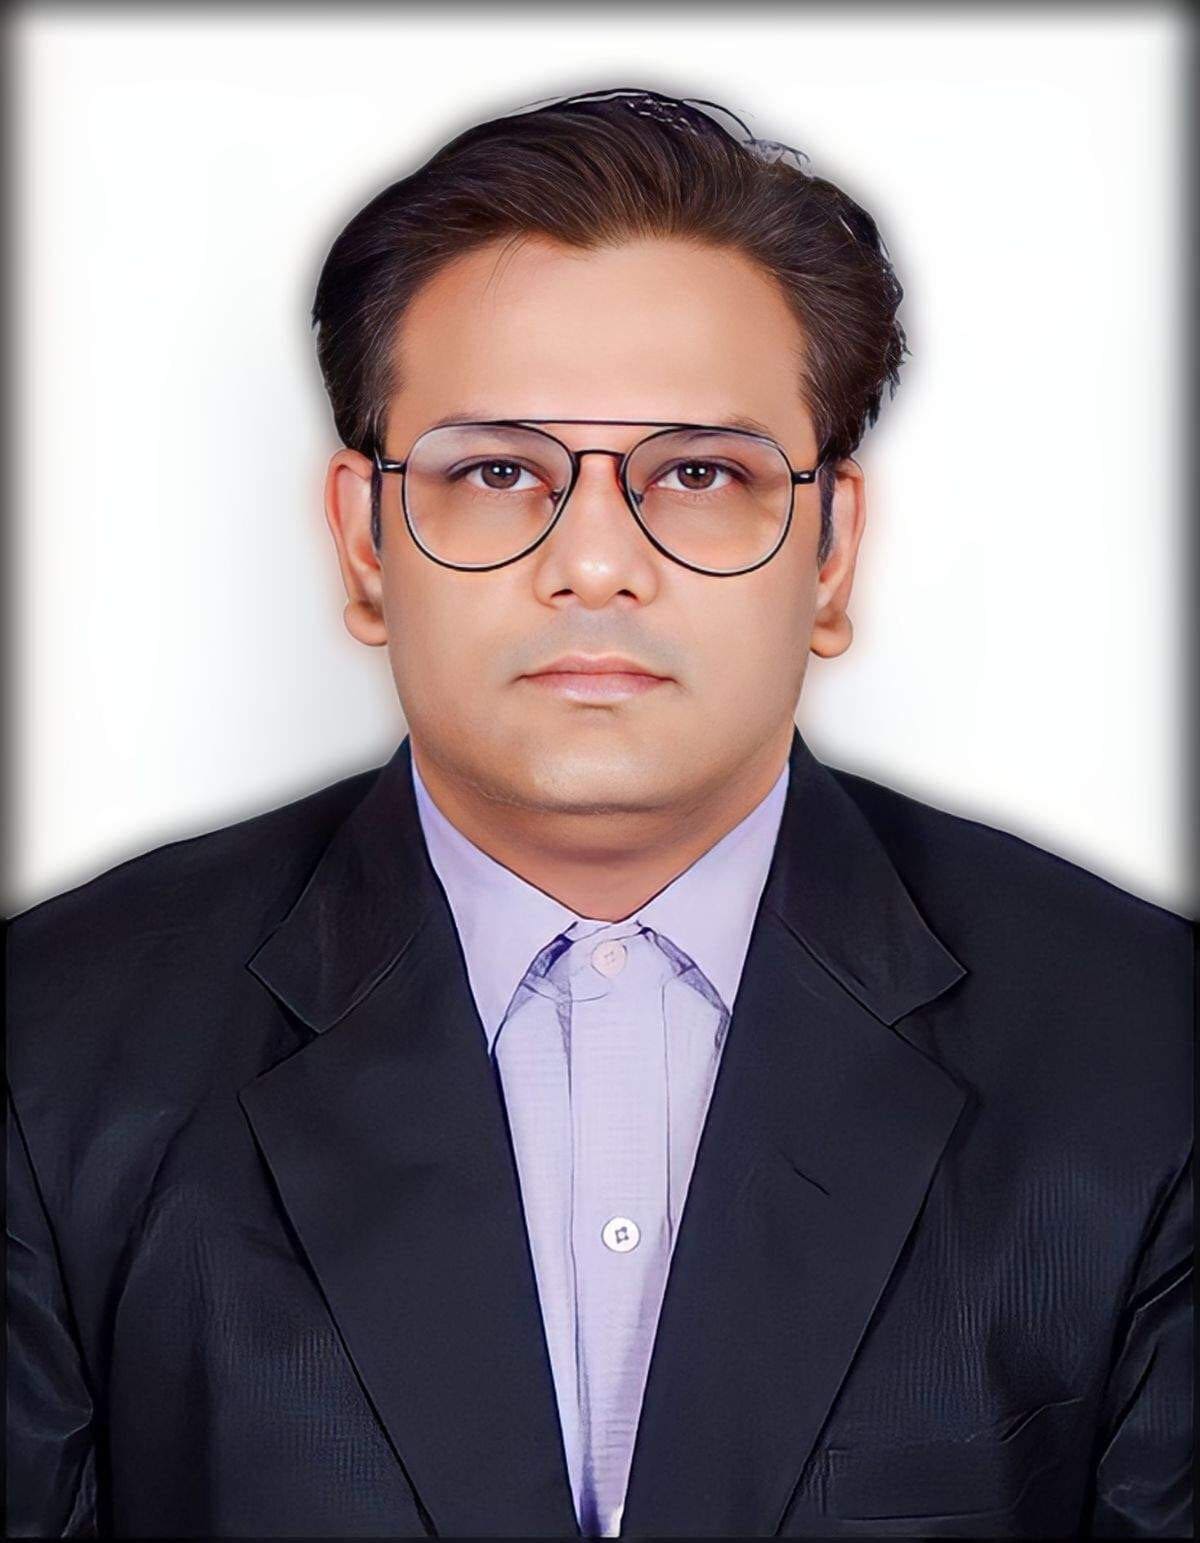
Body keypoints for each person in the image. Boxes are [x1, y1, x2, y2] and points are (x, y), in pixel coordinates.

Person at [6, 86, 1191, 1541]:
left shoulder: (1150, 1056)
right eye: (497, 471)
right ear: (367, 544)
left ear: (829, 555)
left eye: (698, 475)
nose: (593, 564)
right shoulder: (49, 1055)